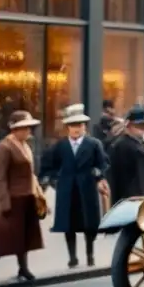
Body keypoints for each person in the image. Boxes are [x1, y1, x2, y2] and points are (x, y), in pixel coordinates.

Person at [40, 104, 110, 269]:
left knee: (89, 224)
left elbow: (104, 163)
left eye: (80, 125)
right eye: (73, 125)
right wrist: (55, 180)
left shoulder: (94, 144)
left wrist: (97, 173)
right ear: (67, 128)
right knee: (68, 224)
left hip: (87, 187)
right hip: (67, 189)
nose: (77, 129)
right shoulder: (60, 146)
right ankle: (72, 257)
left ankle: (90, 255)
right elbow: (50, 165)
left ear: (85, 126)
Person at [0, 111, 46, 281]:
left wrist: (38, 194)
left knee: (24, 236)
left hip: (27, 197)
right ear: (15, 128)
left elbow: (31, 174)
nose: (29, 131)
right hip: (14, 199)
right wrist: (4, 201)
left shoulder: (25, 145)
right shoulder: (4, 147)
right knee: (8, 236)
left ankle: (23, 268)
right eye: (25, 128)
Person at [108, 106, 144, 203]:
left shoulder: (142, 143)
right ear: (129, 126)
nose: (143, 130)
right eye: (139, 126)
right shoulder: (123, 145)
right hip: (130, 200)